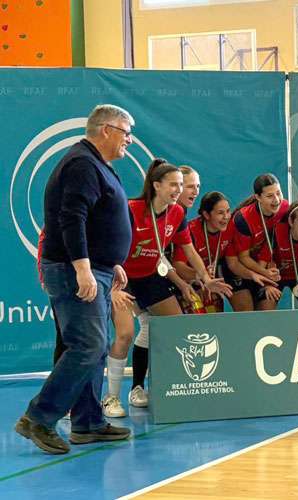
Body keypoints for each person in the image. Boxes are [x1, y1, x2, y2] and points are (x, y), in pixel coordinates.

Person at [16, 104, 135, 454]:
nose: (128, 139)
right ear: (106, 130)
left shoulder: (95, 163)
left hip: (93, 267)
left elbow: (97, 218)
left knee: (93, 349)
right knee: (87, 346)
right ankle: (39, 417)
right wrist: (83, 268)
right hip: (72, 271)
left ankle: (87, 422)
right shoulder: (83, 163)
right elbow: (72, 218)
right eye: (125, 132)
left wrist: (108, 262)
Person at [112, 160, 232, 413]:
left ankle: (167, 386)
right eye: (174, 185)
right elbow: (112, 245)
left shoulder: (177, 214)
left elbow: (188, 250)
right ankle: (114, 397)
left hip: (149, 276)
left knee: (175, 327)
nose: (179, 190)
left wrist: (205, 278)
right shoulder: (132, 209)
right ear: (156, 185)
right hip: (122, 278)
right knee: (125, 334)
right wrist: (113, 285)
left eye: (181, 185)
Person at [228, 174, 287, 311]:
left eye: (278, 193)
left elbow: (273, 245)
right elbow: (243, 258)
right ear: (258, 197)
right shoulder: (243, 219)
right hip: (238, 266)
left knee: (267, 311)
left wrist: (267, 277)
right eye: (270, 196)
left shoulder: (284, 208)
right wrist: (265, 274)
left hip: (263, 263)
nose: (276, 200)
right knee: (246, 311)